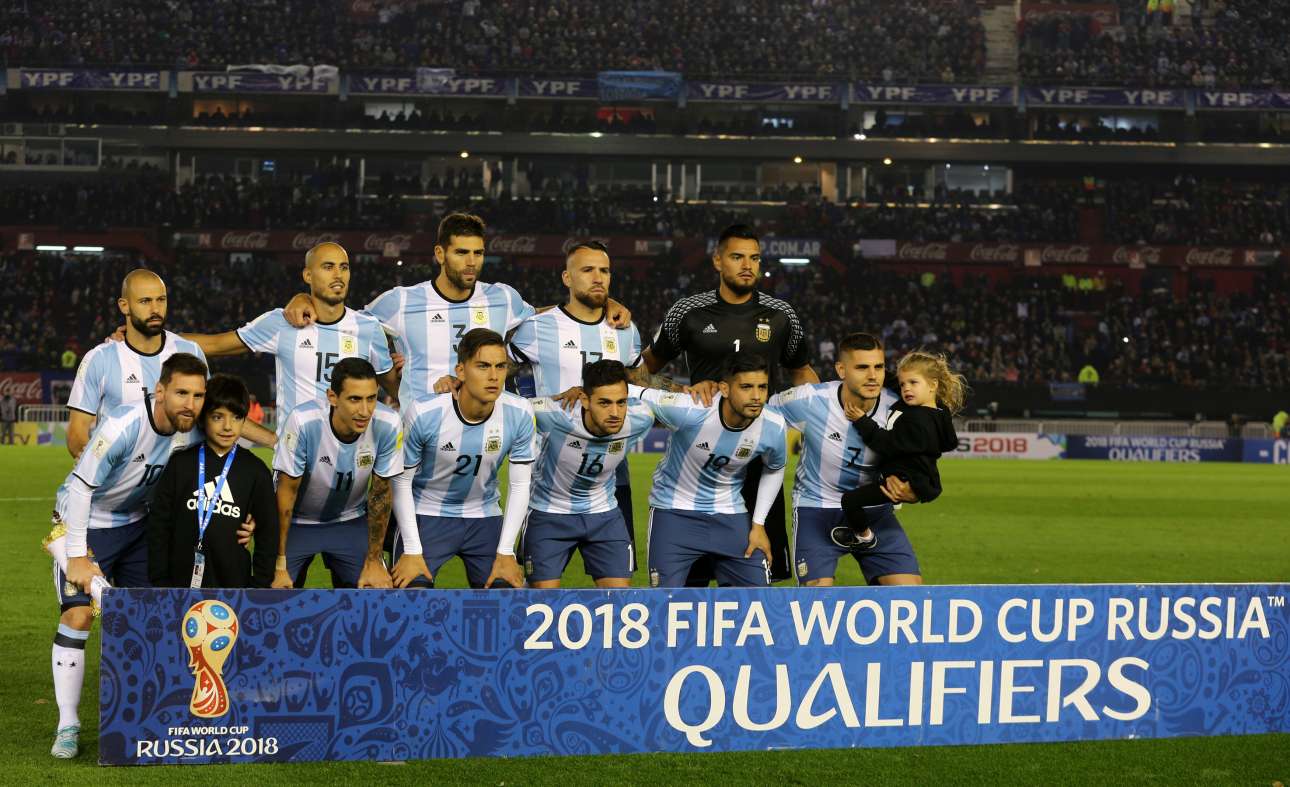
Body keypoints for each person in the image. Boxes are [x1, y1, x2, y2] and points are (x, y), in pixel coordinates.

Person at [287, 213, 630, 405]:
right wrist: (304, 298)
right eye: (461, 252)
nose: (471, 262)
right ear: (440, 254)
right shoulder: (401, 301)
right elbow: (345, 320)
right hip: (420, 433)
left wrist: (603, 301)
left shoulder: (503, 298)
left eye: (478, 253)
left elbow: (551, 314)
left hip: (480, 432)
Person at [48, 353, 207, 759]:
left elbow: (231, 439)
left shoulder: (191, 429)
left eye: (198, 395)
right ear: (160, 391)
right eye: (182, 393)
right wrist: (77, 555)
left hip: (138, 526)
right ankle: (68, 724)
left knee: (148, 618)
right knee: (79, 615)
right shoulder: (123, 423)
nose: (190, 404)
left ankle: (143, 713)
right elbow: (81, 487)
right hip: (85, 523)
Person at [638, 224, 816, 584]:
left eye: (754, 258)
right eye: (737, 257)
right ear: (718, 261)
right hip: (701, 460)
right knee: (690, 586)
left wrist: (818, 424)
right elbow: (642, 373)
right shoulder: (688, 312)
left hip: (758, 455)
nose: (747, 265)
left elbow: (803, 373)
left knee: (757, 581)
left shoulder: (781, 314)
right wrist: (682, 390)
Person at [508, 241, 646, 573]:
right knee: (537, 586)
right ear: (567, 278)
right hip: (548, 474)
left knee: (617, 586)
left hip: (611, 473)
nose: (598, 277)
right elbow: (497, 374)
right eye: (587, 270)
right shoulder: (537, 327)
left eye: (604, 271)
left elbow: (642, 387)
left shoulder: (625, 330)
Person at [178, 242, 397, 423]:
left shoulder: (369, 329)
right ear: (308, 275)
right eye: (328, 267)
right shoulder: (280, 323)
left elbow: (395, 389)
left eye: (344, 267)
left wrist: (406, 370)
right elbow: (216, 345)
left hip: (350, 454)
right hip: (294, 455)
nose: (338, 274)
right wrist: (161, 339)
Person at [768, 333, 921, 586]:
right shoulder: (810, 400)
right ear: (841, 370)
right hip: (817, 509)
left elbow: (924, 455)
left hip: (875, 512)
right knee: (817, 597)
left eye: (878, 367)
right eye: (862, 367)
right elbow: (757, 411)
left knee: (910, 595)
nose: (872, 376)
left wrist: (915, 489)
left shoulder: (898, 408)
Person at [390, 328, 536, 589]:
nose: (494, 376)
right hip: (426, 513)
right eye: (483, 366)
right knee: (412, 595)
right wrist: (411, 549)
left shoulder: (520, 412)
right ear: (460, 371)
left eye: (500, 366)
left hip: (484, 515)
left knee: (505, 597)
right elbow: (401, 482)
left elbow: (520, 485)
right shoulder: (425, 413)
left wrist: (506, 552)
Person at [643, 352, 788, 587]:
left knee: (758, 598)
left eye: (762, 387)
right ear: (725, 389)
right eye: (746, 387)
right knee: (664, 601)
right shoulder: (690, 409)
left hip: (730, 514)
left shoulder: (774, 425)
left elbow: (775, 468)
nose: (756, 396)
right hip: (673, 512)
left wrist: (759, 524)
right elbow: (633, 392)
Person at [272, 358, 404, 589]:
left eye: (371, 398)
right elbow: (286, 493)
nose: (365, 411)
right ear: (332, 397)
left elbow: (381, 494)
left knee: (378, 592)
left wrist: (374, 560)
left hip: (350, 520)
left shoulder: (389, 423)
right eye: (355, 399)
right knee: (275, 593)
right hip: (297, 523)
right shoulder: (303, 421)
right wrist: (279, 563)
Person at [525, 360, 657, 588]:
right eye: (604, 403)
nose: (615, 413)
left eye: (621, 402)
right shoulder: (555, 414)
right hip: (549, 512)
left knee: (619, 597)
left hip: (604, 514)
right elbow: (509, 406)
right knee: (543, 599)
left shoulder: (640, 419)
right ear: (585, 400)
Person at [146, 374, 278, 589]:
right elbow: (159, 525)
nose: (228, 426)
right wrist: (160, 579)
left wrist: (260, 584)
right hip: (178, 585)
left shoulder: (256, 471)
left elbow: (268, 532)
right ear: (202, 418)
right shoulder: (180, 464)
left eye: (236, 417)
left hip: (234, 586)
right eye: (217, 417)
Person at [66, 270, 207, 458]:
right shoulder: (100, 359)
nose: (155, 309)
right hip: (120, 476)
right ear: (124, 306)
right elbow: (76, 435)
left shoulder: (191, 351)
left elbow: (212, 413)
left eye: (161, 300)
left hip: (181, 475)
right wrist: (96, 469)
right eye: (145, 301)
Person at [835, 350, 964, 550]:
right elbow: (949, 442)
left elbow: (885, 444)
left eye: (913, 383)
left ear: (933, 385)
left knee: (850, 501)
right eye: (904, 384)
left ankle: (864, 537)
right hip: (916, 476)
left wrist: (861, 421)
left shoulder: (918, 421)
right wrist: (875, 372)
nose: (906, 388)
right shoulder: (936, 409)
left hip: (902, 481)